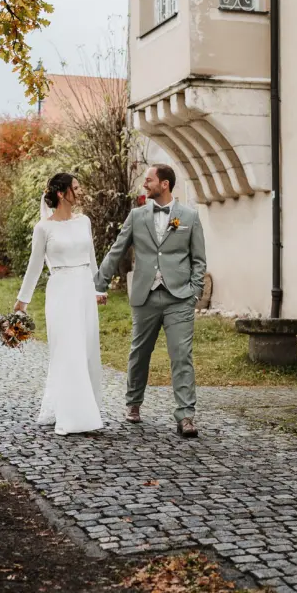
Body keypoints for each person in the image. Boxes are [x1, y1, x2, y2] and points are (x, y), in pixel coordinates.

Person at [95, 164, 206, 438]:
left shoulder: (189, 216)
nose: (145, 185)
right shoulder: (137, 215)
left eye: (149, 180)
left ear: (164, 184)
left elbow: (199, 260)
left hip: (179, 297)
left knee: (182, 356)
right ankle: (133, 403)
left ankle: (186, 416)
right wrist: (99, 283)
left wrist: (194, 291)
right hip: (145, 294)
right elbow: (117, 250)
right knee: (139, 352)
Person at [14, 172, 106, 436]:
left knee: (87, 349)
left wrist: (97, 287)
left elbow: (91, 257)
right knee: (68, 350)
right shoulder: (44, 228)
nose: (81, 191)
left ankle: (88, 408)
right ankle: (73, 416)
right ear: (61, 193)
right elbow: (34, 267)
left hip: (84, 290)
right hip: (61, 290)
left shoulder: (84, 221)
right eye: (76, 188)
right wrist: (23, 300)